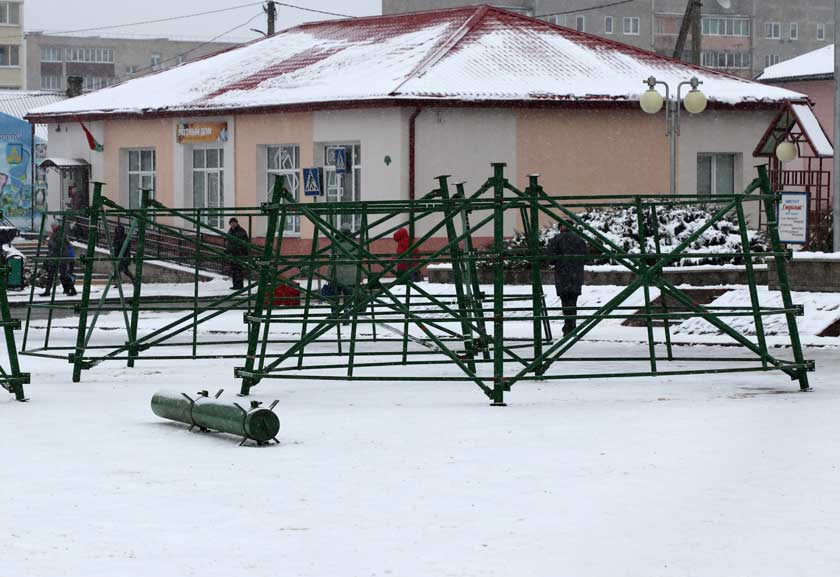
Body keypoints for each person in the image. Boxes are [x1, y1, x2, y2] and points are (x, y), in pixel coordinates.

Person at [547, 223, 588, 336]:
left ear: (561, 228)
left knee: (565, 301)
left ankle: (568, 325)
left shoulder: (556, 240)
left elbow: (550, 258)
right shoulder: (579, 240)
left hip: (562, 275)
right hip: (576, 274)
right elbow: (586, 257)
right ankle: (572, 325)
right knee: (573, 300)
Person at [41, 223, 77, 297]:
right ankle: (48, 291)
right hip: (56, 258)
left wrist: (49, 242)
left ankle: (72, 290)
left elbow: (58, 246)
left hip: (60, 258)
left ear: (56, 226)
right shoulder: (57, 234)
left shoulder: (60, 234)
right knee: (53, 275)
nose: (51, 228)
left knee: (61, 275)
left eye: (52, 226)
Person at [225, 217, 250, 290]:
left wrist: (241, 252)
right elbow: (227, 241)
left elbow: (244, 243)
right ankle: (235, 285)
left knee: (238, 270)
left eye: (234, 223)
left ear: (236, 223)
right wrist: (228, 249)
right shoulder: (230, 231)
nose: (232, 224)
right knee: (234, 270)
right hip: (233, 254)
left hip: (240, 254)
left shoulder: (241, 231)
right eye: (231, 223)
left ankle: (240, 286)